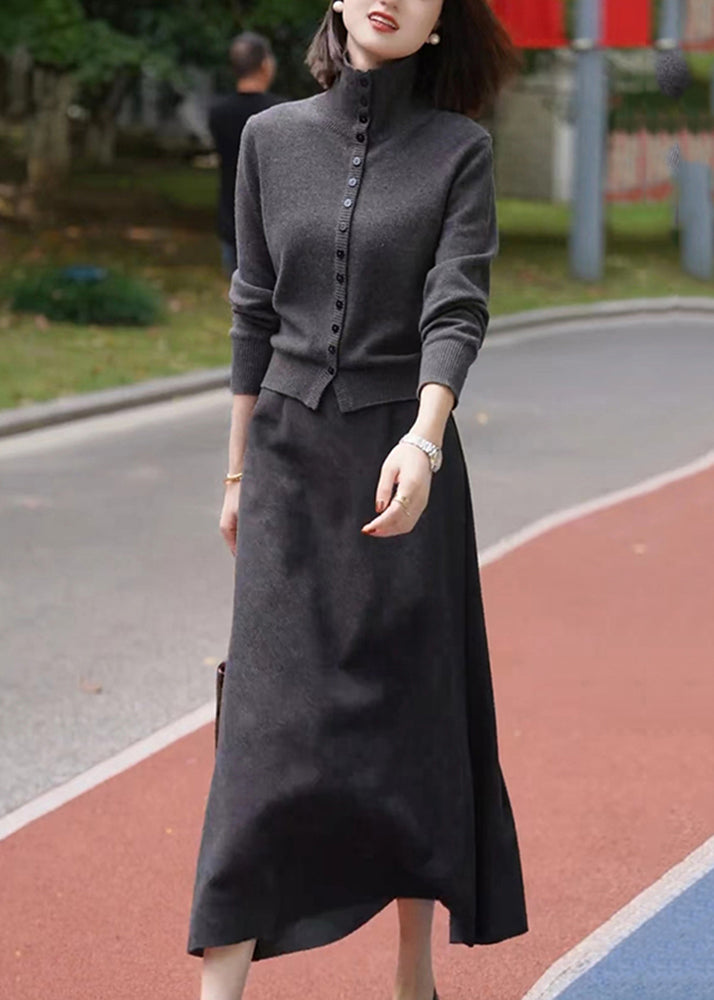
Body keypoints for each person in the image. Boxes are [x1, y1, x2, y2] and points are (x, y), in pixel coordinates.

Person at [187, 3, 528, 999]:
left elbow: (456, 305)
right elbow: (253, 311)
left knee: (409, 721)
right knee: (261, 738)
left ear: (439, 26)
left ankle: (414, 975)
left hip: (402, 466)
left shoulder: (460, 151)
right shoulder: (268, 139)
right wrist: (237, 475)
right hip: (287, 467)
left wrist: (425, 438)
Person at [208, 32, 287, 277]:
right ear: (265, 64)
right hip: (273, 222)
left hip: (231, 218)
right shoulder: (282, 113)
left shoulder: (218, 113)